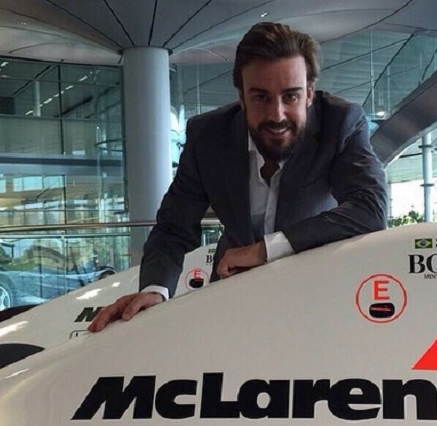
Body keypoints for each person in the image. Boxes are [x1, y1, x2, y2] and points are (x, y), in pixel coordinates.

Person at [88, 22, 388, 332]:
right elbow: (173, 227)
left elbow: (370, 208)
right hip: (232, 295)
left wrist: (264, 250)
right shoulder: (207, 136)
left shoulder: (340, 123)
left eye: (291, 96)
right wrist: (155, 289)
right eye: (261, 97)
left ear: (310, 93)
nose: (277, 114)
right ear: (242, 97)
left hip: (317, 299)